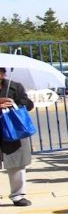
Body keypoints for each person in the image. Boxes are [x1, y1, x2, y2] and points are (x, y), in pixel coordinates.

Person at [0, 67, 35, 206]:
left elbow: (28, 104)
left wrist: (14, 104)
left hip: (13, 129)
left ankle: (18, 195)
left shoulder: (15, 86)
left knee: (16, 164)